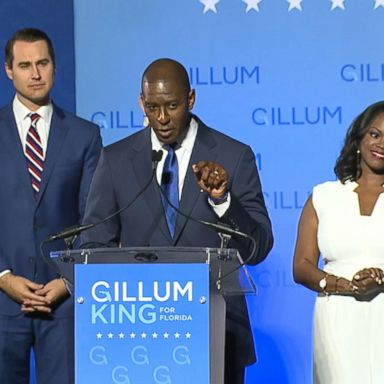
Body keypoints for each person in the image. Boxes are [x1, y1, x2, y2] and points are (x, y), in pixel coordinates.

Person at [81, 58, 273, 383]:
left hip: (218, 333)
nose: (162, 118)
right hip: (140, 334)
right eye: (152, 107)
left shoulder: (232, 156)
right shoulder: (115, 160)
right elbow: (94, 245)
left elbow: (259, 247)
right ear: (141, 102)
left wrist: (223, 201)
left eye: (172, 105)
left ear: (191, 99)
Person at [0, 28, 102, 384]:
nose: (36, 73)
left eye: (42, 63)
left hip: (64, 304)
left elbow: (95, 220)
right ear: (9, 70)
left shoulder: (85, 135)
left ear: (55, 67)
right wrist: (4, 278)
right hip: (3, 302)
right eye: (25, 65)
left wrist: (67, 280)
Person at [293, 101, 384, 383]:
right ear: (359, 137)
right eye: (375, 134)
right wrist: (347, 286)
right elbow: (302, 267)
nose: (381, 144)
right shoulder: (324, 196)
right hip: (337, 319)